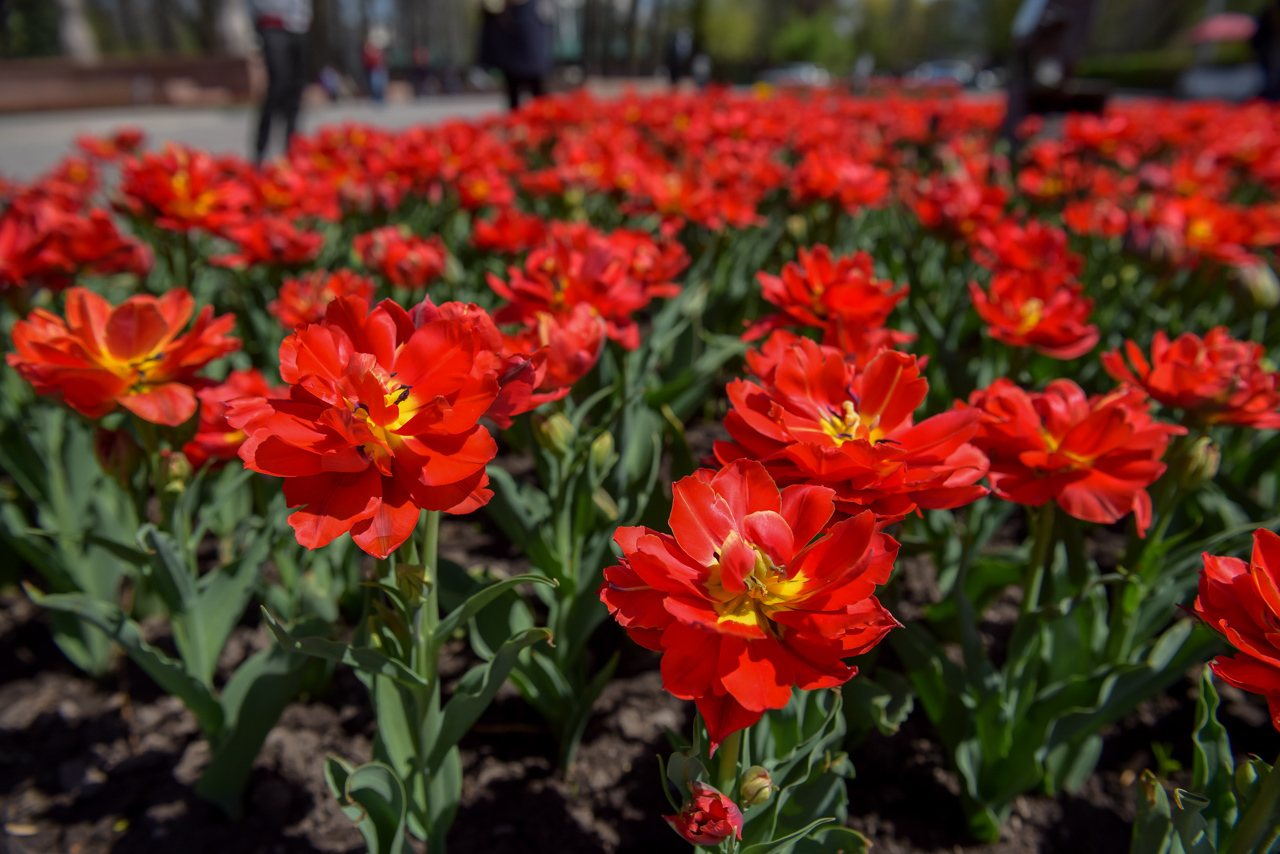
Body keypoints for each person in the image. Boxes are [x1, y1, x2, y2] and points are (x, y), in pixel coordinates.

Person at [252, 0, 311, 166]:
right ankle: (260, 153)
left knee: (296, 91)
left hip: (300, 24)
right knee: (278, 85)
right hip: (272, 22)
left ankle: (291, 153)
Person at [478, 0, 553, 111]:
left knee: (536, 84)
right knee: (512, 85)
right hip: (508, 28)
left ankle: (543, 118)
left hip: (528, 21)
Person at [363, 36, 388, 103]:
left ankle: (381, 99)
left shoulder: (381, 52)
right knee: (375, 86)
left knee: (381, 86)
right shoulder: (369, 52)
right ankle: (376, 99)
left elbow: (384, 61)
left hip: (381, 70)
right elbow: (367, 62)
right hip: (374, 70)